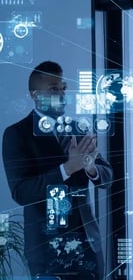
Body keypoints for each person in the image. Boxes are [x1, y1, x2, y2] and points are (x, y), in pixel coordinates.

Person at [2, 60, 113, 279]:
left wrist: (91, 167)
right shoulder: (17, 134)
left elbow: (107, 178)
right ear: (34, 94)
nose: (62, 94)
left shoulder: (78, 129)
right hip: (46, 250)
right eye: (53, 89)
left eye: (63, 88)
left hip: (87, 245)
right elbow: (21, 192)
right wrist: (67, 168)